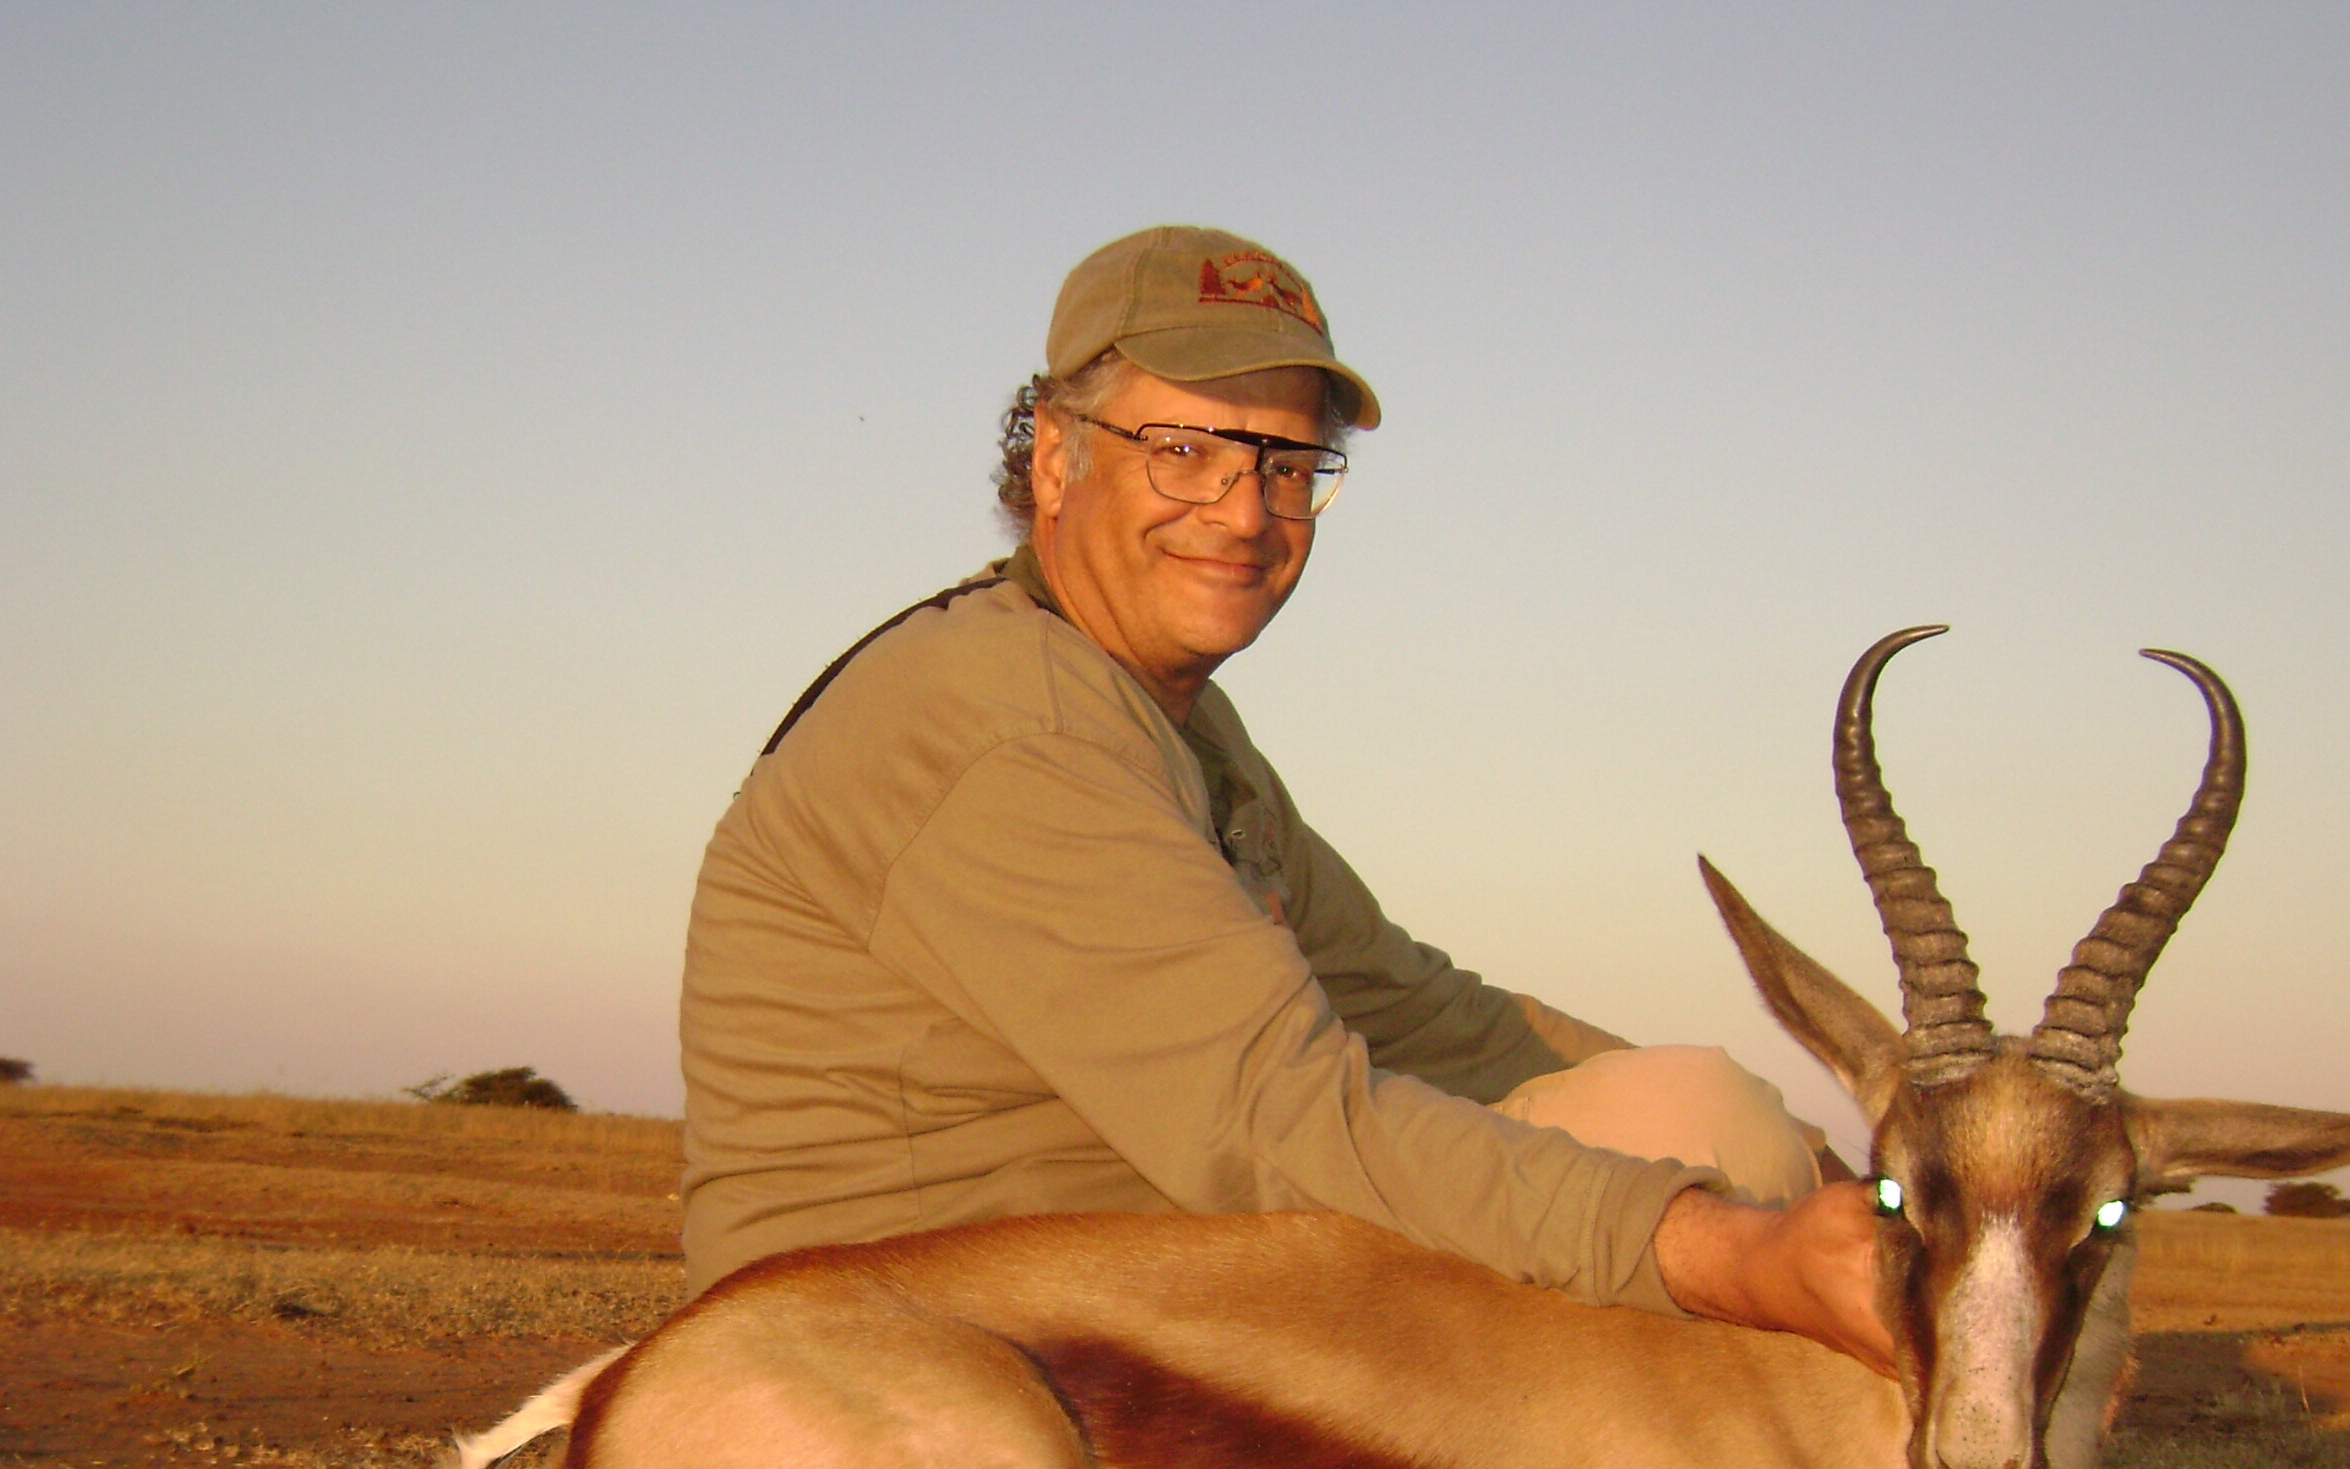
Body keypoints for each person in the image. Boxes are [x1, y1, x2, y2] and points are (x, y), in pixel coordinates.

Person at [678, 224, 1886, 1368]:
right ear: (1058, 458)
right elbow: (1284, 1127)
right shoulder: (1011, 724)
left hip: (1103, 1297)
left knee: (1695, 1109)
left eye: (1287, 463)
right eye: (1185, 452)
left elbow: (1418, 1012)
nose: (1247, 514)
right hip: (903, 1355)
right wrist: (1725, 1247)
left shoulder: (1172, 722)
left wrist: (1834, 1184)